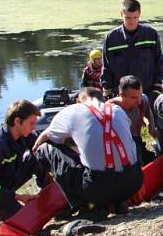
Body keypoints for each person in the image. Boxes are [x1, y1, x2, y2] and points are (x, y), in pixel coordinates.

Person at [32, 87, 143, 220]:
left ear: (78, 101)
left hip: (97, 189)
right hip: (133, 182)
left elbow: (46, 136)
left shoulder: (71, 111)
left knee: (44, 149)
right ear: (102, 99)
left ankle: (85, 205)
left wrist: (34, 150)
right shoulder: (118, 110)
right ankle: (117, 201)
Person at [0, 100, 46, 221]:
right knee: (27, 220)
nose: (34, 127)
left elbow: (39, 141)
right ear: (17, 121)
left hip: (2, 185)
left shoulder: (20, 135)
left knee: (37, 154)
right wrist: (18, 197)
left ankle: (48, 194)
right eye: (31, 123)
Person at [101, 0, 163, 103]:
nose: (131, 21)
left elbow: (159, 63)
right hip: (122, 97)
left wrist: (157, 88)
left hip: (148, 94)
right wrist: (108, 92)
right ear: (121, 14)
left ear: (140, 14)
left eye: (135, 17)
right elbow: (106, 67)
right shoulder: (111, 38)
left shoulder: (151, 34)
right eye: (127, 18)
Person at [108, 75, 157, 164]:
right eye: (134, 97)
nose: (139, 101)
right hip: (120, 145)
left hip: (138, 137)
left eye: (140, 95)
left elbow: (151, 127)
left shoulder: (143, 100)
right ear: (122, 95)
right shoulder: (110, 109)